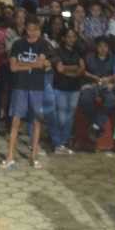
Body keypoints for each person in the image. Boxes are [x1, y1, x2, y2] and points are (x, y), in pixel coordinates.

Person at [5, 17, 51, 169]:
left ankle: (34, 157)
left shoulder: (43, 44)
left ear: (39, 30)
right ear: (25, 29)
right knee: (15, 122)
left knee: (36, 122)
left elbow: (40, 63)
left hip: (37, 88)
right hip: (20, 86)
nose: (32, 32)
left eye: (35, 29)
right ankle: (10, 156)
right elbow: (12, 68)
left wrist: (22, 64)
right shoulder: (18, 44)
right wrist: (34, 65)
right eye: (30, 29)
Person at [51, 26, 85, 156]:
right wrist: (74, 68)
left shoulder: (78, 51)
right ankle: (57, 143)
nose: (72, 39)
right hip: (60, 87)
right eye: (69, 36)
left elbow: (82, 69)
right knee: (61, 117)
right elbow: (60, 69)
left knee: (70, 117)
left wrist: (68, 70)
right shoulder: (58, 51)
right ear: (63, 38)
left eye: (74, 36)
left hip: (75, 87)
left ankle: (63, 143)